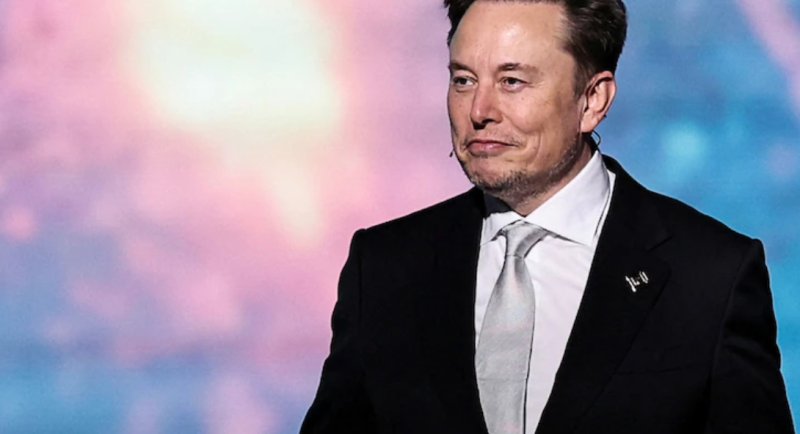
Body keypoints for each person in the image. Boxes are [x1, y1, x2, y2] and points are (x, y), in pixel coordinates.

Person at [300, 0, 795, 433]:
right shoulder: (384, 266)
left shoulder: (710, 276)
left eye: (512, 81)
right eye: (463, 80)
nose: (479, 110)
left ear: (592, 100)